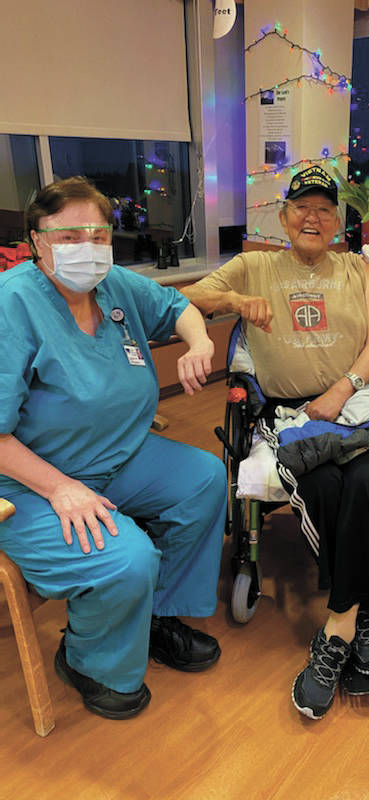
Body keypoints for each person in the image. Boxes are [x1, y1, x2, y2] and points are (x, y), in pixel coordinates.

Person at [0, 177, 227, 720]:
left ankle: (155, 617)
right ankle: (87, 659)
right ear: (37, 241)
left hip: (117, 454)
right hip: (27, 480)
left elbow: (178, 305)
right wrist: (60, 488)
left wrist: (198, 341)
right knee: (127, 558)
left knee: (205, 479)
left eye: (98, 234)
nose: (88, 246)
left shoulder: (116, 286)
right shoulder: (13, 306)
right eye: (70, 234)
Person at [182, 165, 369, 720]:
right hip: (291, 414)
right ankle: (363, 620)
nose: (313, 217)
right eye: (302, 207)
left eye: (325, 209)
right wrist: (234, 300)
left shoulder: (355, 268)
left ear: (337, 223)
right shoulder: (256, 265)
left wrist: (342, 388)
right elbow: (194, 296)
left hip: (354, 406)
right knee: (324, 484)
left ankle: (338, 627)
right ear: (283, 218)